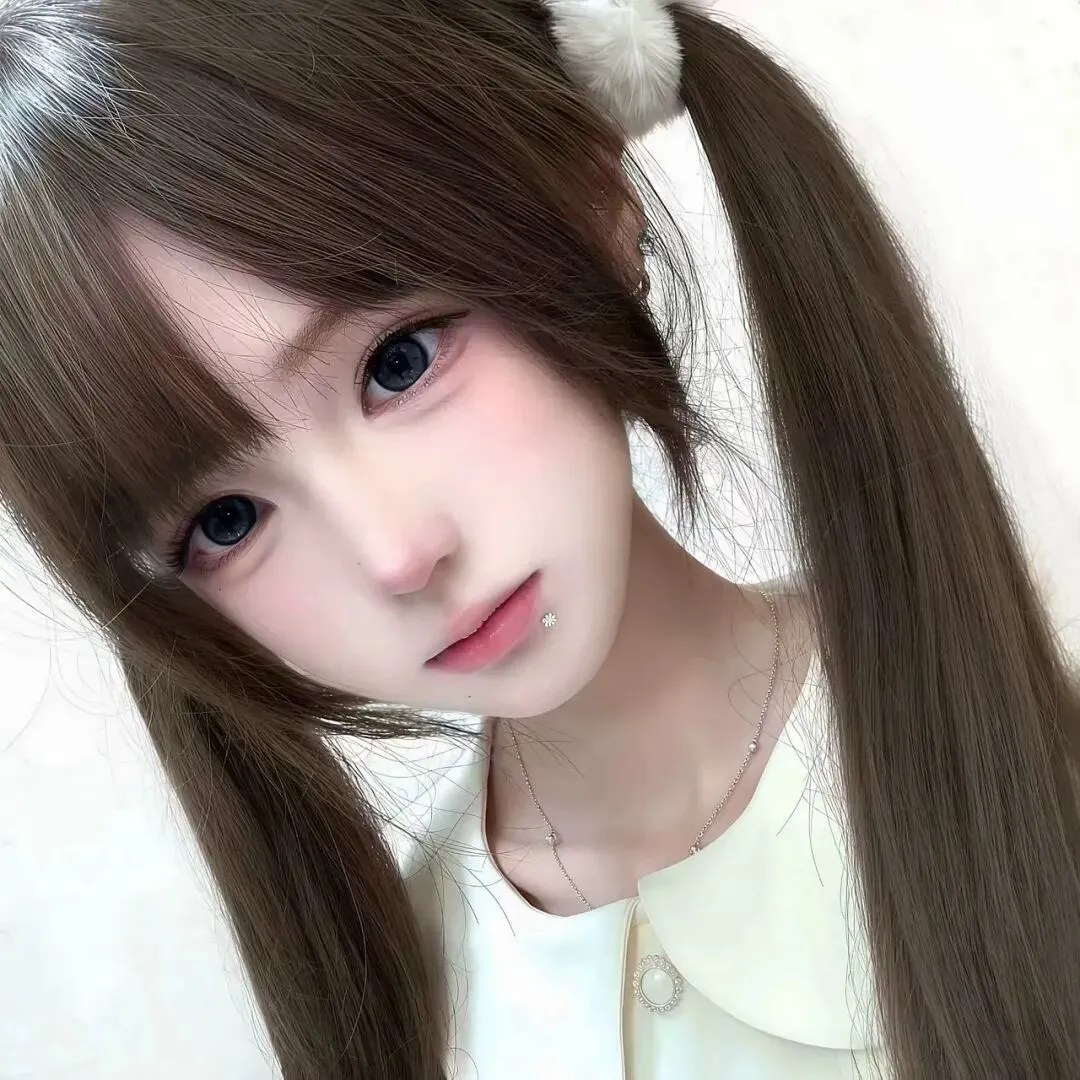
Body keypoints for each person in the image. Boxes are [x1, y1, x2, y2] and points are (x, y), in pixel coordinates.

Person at [0, 0, 1077, 1077]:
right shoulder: (426, 1005)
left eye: (399, 363)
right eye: (227, 522)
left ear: (592, 197)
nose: (394, 554)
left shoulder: (1037, 741)